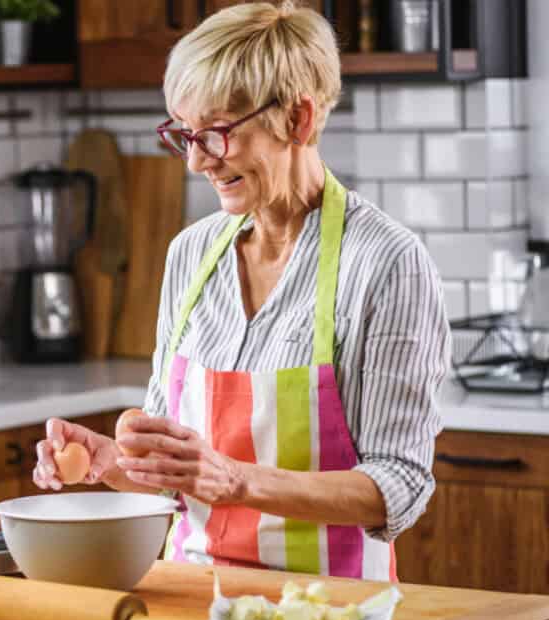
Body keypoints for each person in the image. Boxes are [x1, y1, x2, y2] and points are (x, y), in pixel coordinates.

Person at [32, 0, 450, 581]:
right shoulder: (189, 254)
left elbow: (398, 486)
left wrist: (236, 480)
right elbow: (181, 477)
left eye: (218, 133)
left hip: (328, 614)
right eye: (185, 135)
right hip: (191, 604)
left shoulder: (385, 263)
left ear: (299, 121)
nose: (196, 162)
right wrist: (110, 463)